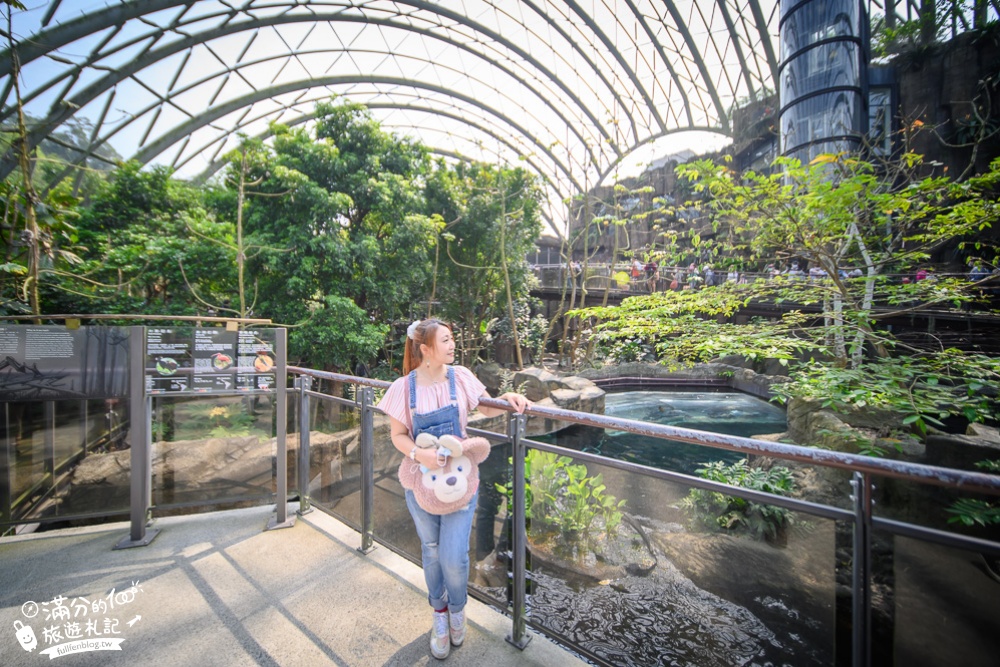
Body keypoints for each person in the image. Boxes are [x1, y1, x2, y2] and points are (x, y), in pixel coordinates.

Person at [377, 318, 530, 659]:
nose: (452, 345)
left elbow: (487, 406)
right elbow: (398, 436)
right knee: (431, 550)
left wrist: (508, 398)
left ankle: (458, 609)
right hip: (421, 484)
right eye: (445, 340)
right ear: (426, 349)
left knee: (455, 558)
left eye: (452, 339)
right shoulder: (403, 388)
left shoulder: (460, 376)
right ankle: (440, 615)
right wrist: (421, 454)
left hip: (461, 481)